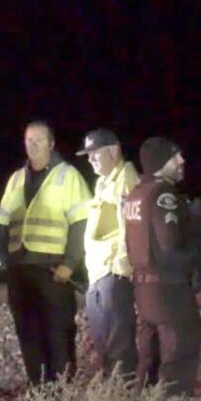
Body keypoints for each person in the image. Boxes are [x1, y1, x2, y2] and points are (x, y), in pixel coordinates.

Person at [0, 121, 92, 387]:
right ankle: (38, 392)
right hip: (21, 270)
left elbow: (80, 224)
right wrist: (6, 259)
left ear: (51, 143)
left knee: (57, 335)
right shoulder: (16, 179)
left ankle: (61, 392)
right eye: (28, 140)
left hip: (53, 270)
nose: (33, 145)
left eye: (38, 140)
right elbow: (3, 223)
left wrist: (70, 265)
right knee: (28, 334)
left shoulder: (68, 176)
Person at [123, 137, 201, 396]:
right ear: (160, 162)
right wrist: (196, 228)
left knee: (149, 362)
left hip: (144, 288)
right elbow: (169, 247)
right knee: (179, 360)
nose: (182, 161)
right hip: (169, 289)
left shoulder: (137, 193)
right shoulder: (163, 194)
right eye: (175, 157)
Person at [78, 128, 140, 378]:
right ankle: (113, 395)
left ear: (113, 151)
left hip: (113, 274)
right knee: (104, 343)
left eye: (95, 153)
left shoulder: (125, 177)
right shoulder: (104, 182)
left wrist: (122, 267)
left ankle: (123, 398)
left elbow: (130, 225)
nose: (90, 159)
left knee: (118, 345)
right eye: (88, 155)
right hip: (99, 273)